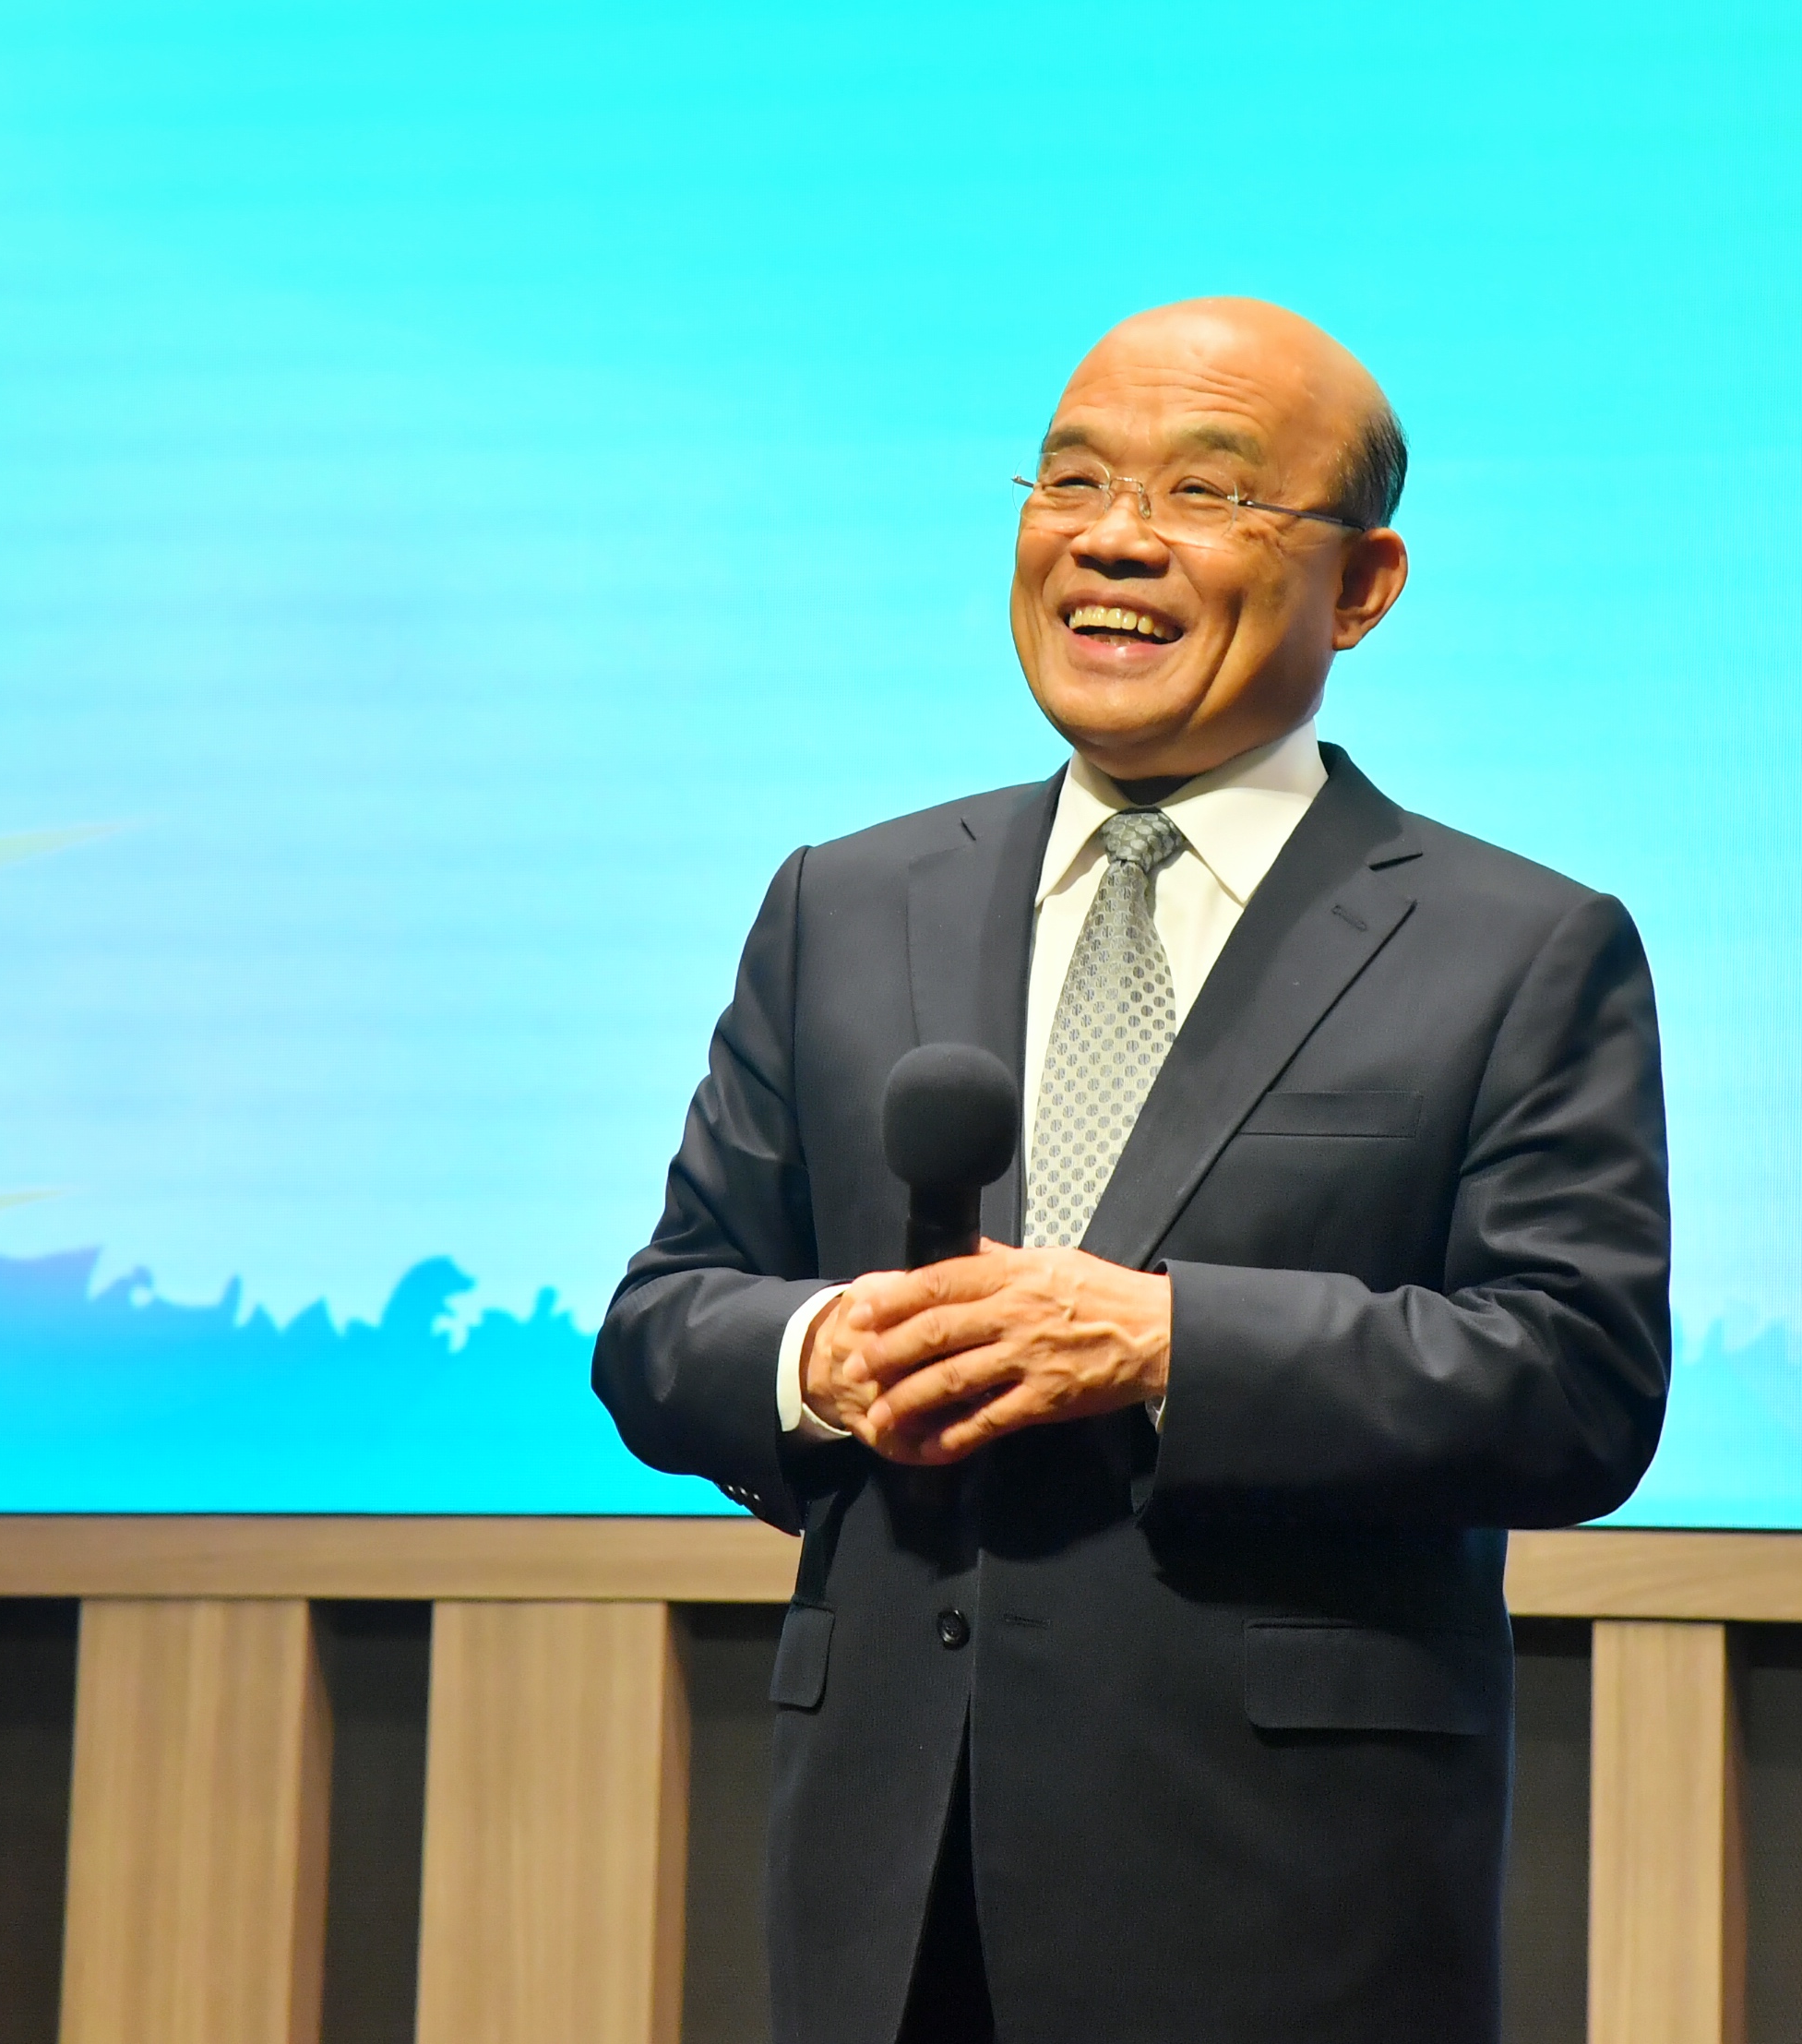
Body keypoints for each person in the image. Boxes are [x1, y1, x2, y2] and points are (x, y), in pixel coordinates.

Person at [593, 298, 1670, 2044]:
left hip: (1283, 1907)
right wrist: (818, 1357)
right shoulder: (841, 905)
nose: (1111, 537)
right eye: (1073, 480)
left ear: (1362, 586)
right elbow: (663, 1319)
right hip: (888, 1906)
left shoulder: (1517, 948)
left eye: (1205, 493)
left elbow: (1575, 1383)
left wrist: (1165, 1342)